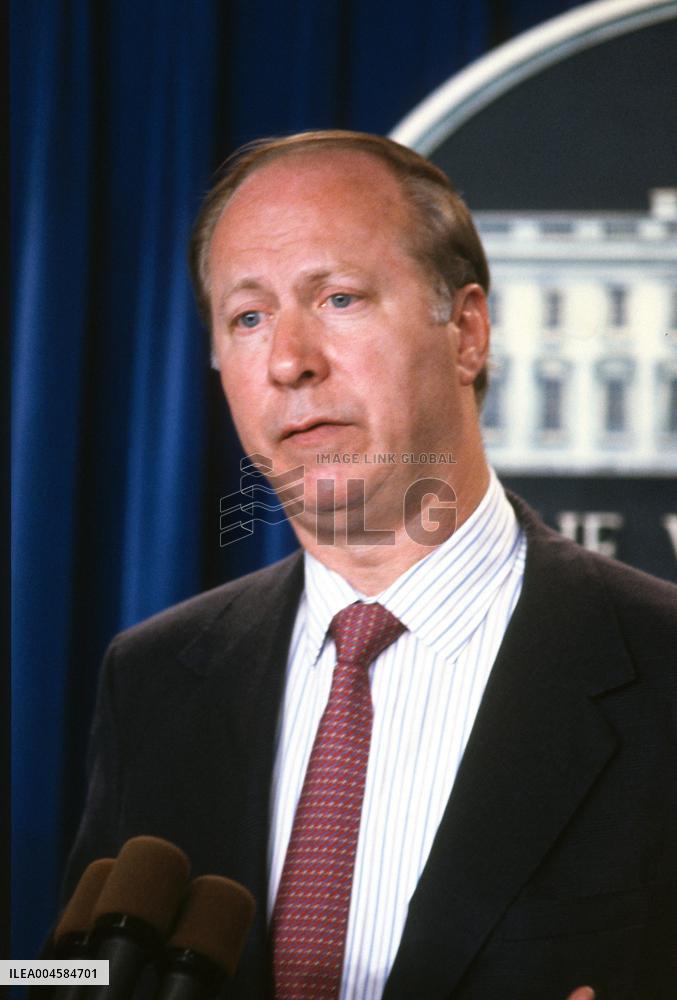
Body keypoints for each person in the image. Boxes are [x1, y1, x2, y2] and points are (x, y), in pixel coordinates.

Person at [63, 132, 676, 999]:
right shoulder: (155, 678)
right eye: (247, 318)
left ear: (465, 332)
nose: (288, 361)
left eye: (340, 298)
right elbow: (60, 967)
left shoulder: (662, 667)